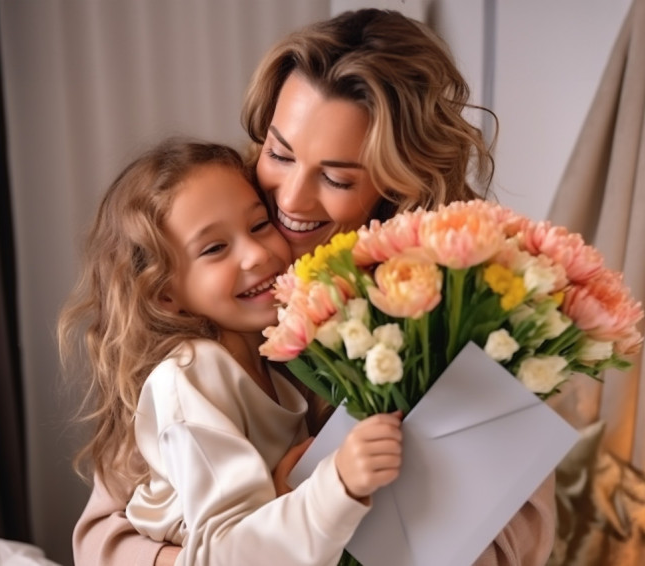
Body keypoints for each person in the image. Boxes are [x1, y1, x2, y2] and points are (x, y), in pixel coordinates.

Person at [72, 8, 556, 566]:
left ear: (400, 184)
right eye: (279, 154)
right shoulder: (206, 304)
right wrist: (265, 523)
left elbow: (515, 538)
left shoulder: (466, 309)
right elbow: (101, 541)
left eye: (336, 177)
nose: (290, 200)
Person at [59, 138, 404, 566]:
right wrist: (338, 484)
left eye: (260, 225)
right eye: (214, 249)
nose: (257, 254)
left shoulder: (275, 367)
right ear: (166, 294)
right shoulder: (189, 378)